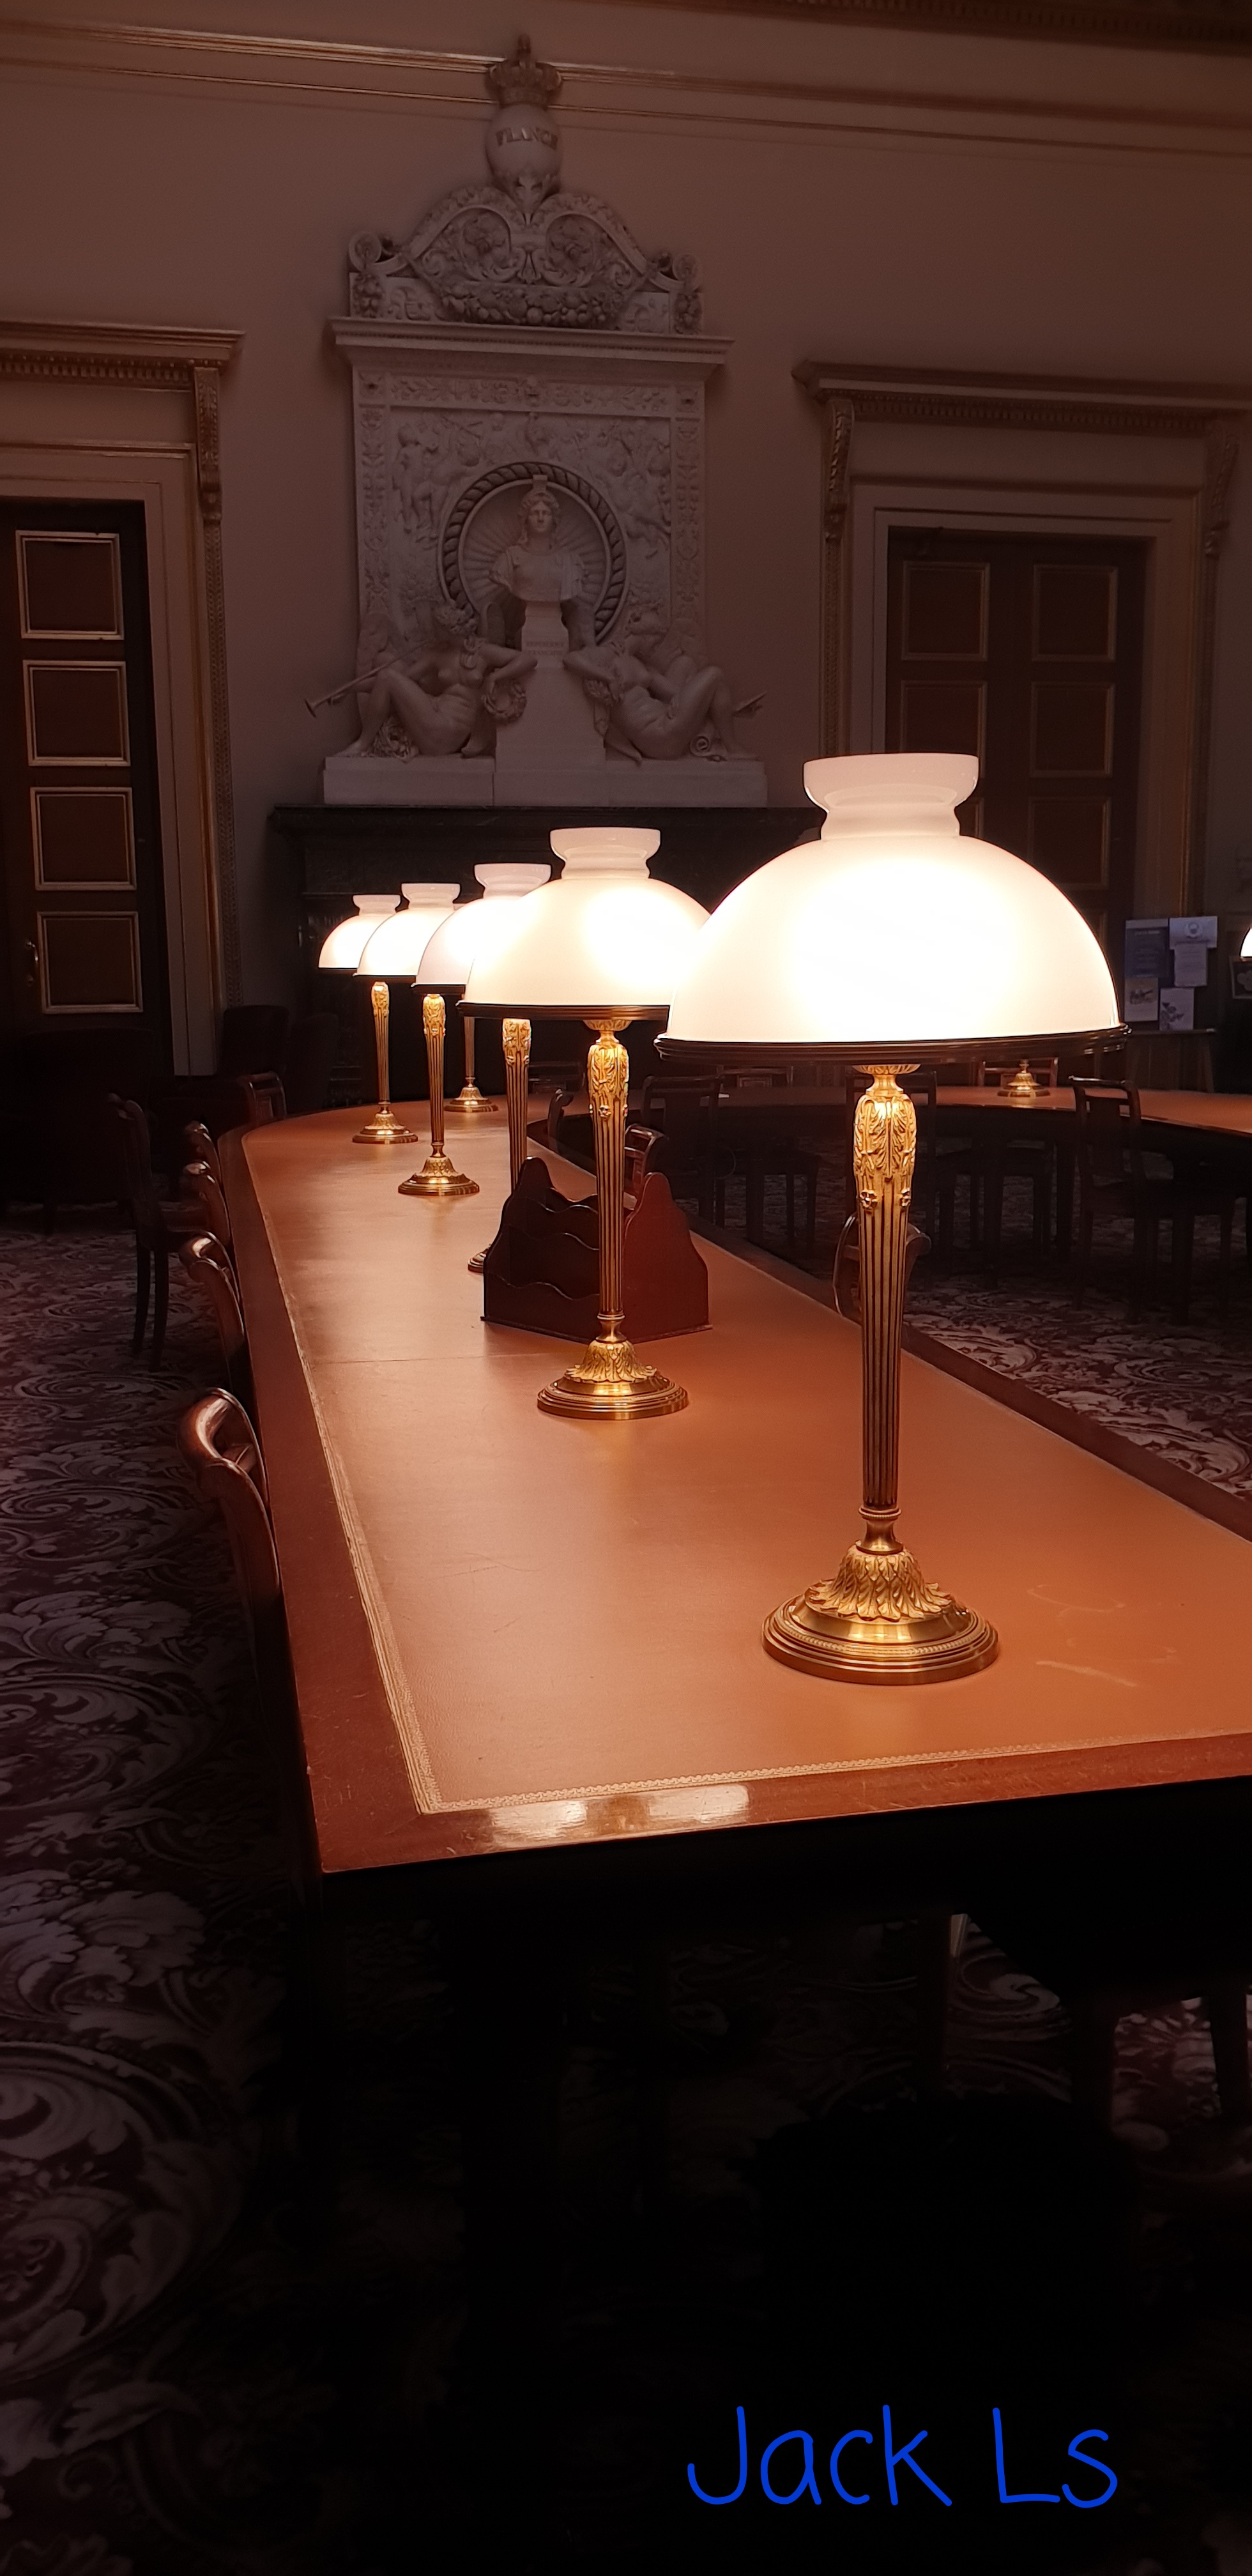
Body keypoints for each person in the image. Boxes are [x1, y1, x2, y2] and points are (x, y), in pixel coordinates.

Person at [342, 615, 534, 759]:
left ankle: (362, 745)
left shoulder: (482, 652)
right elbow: (400, 680)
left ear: (448, 630)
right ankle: (363, 744)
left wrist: (495, 677)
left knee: (387, 675)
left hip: (448, 730)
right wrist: (351, 689)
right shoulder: (437, 655)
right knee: (389, 668)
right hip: (434, 713)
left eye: (437, 628)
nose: (434, 633)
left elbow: (528, 659)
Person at [565, 623, 757, 762]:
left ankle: (728, 743)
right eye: (655, 643)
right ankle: (732, 748)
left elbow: (677, 693)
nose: (655, 649)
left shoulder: (643, 667)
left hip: (668, 723)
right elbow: (571, 659)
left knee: (688, 665)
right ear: (644, 635)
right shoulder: (609, 655)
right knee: (715, 674)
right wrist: (608, 678)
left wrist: (730, 710)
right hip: (657, 737)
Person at [488, 479, 593, 648]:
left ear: (554, 519)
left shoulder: (570, 561)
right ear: (525, 520)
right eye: (535, 513)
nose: (541, 518)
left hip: (557, 628)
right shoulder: (509, 558)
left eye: (546, 513)